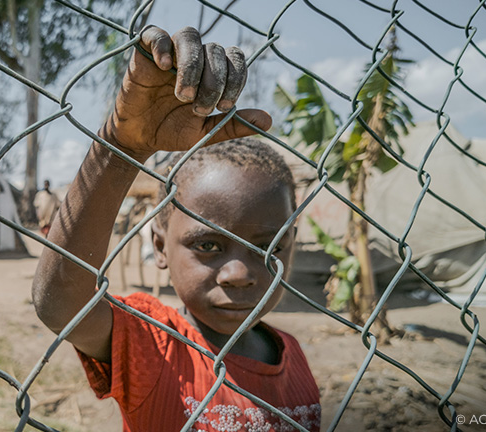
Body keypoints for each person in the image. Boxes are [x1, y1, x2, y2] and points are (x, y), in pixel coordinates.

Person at [32, 26, 319, 431]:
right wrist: (122, 147)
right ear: (160, 247)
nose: (240, 275)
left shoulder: (293, 355)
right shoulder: (155, 344)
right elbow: (61, 304)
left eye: (268, 247)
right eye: (208, 246)